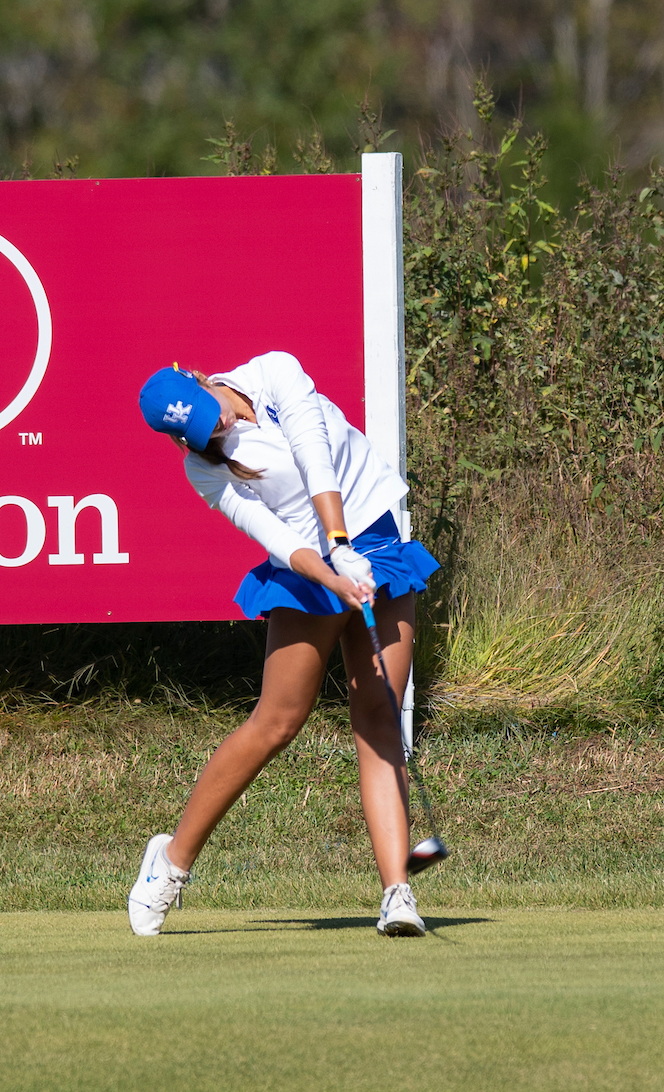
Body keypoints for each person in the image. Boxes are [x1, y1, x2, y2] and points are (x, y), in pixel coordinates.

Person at [126, 350, 439, 937]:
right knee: (278, 722)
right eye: (195, 433)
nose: (213, 430)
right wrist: (331, 569)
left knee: (377, 713)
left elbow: (315, 453)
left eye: (208, 413)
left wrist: (343, 541)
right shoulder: (205, 468)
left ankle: (398, 893)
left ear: (199, 377)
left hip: (374, 539)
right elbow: (271, 535)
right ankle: (169, 864)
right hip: (307, 570)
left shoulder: (275, 371)